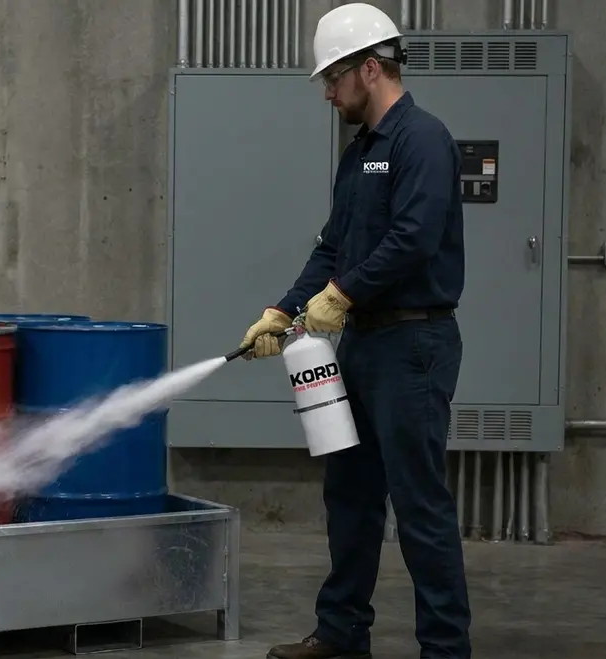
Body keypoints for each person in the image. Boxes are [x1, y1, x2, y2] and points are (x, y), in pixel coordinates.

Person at [237, 4, 471, 659]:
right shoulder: (359, 152)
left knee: (418, 504)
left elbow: (414, 238)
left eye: (333, 78)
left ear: (370, 68)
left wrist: (341, 295)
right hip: (361, 343)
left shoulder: (423, 140)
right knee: (350, 494)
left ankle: (445, 649)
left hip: (414, 346)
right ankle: (341, 632)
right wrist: (283, 310)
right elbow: (333, 246)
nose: (327, 93)